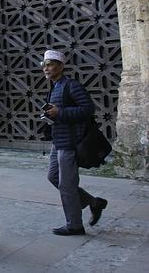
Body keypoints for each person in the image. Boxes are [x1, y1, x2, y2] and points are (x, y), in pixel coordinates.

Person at [41, 50, 108, 236]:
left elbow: (87, 109)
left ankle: (74, 225)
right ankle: (94, 203)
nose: (45, 68)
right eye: (44, 65)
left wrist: (60, 113)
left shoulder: (71, 85)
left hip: (70, 143)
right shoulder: (54, 87)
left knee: (67, 185)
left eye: (50, 64)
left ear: (61, 66)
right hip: (58, 140)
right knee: (53, 177)